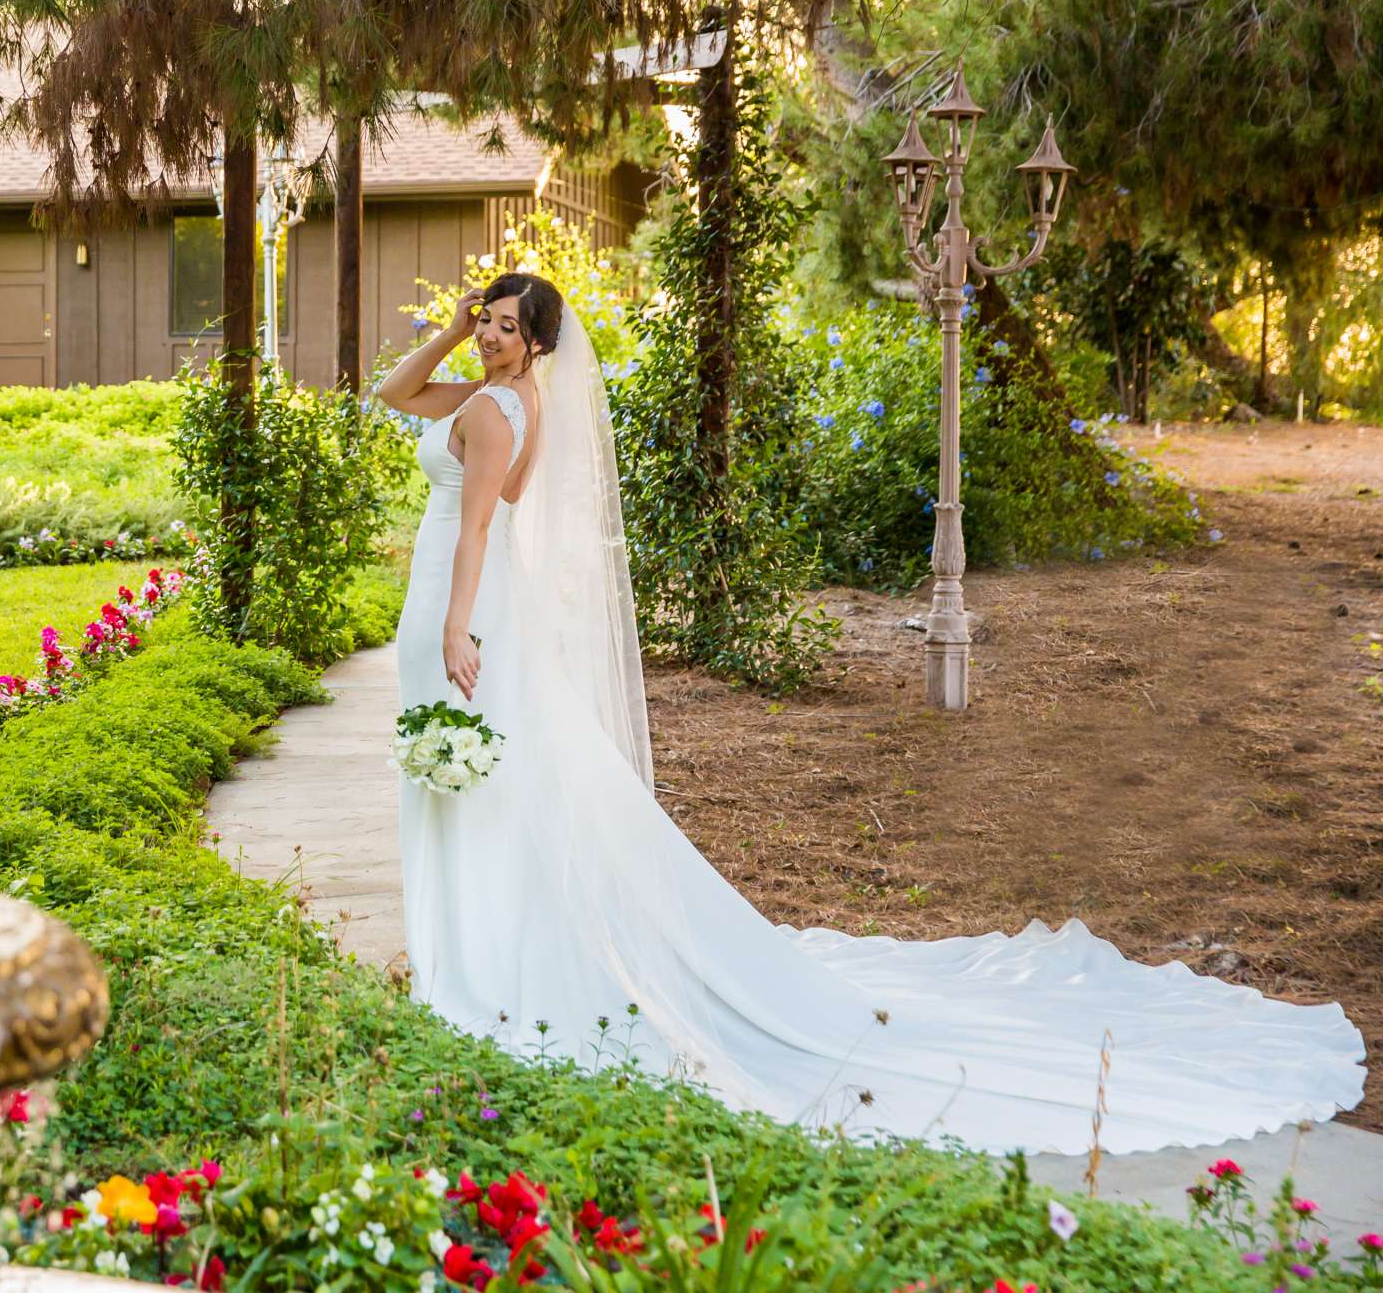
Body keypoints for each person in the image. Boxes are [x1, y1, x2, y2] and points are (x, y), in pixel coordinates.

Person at [374, 270, 1363, 1153]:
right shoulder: (502, 394)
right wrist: (455, 330)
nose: (491, 332)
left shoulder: (498, 412)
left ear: (535, 340)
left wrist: (460, 632)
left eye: (504, 324)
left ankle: (484, 966)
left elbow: (470, 535)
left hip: (462, 608)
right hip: (462, 606)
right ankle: (473, 950)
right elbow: (395, 393)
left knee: (480, 779)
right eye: (487, 320)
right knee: (491, 780)